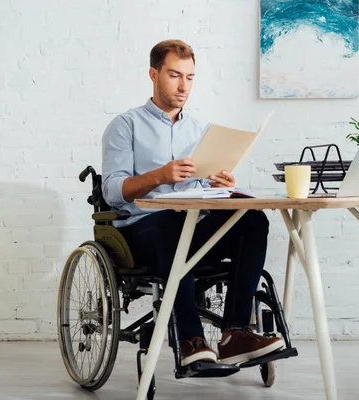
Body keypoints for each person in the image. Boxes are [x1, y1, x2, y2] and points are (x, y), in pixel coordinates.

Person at [101, 39, 283, 366]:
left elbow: (201, 188)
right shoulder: (125, 126)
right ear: (153, 74)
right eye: (174, 75)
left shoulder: (201, 130)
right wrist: (159, 176)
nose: (183, 85)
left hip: (192, 228)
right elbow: (113, 191)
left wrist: (223, 187)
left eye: (190, 77)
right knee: (171, 221)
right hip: (140, 233)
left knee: (252, 219)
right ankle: (190, 340)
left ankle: (235, 333)